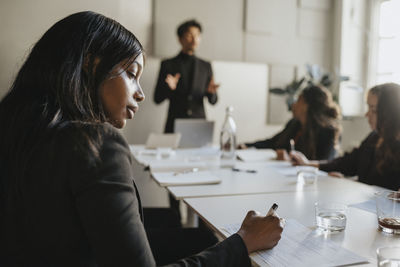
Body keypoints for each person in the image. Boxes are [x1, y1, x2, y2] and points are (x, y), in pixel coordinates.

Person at [0, 11, 283, 266]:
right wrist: (243, 241)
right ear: (91, 64)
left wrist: (211, 91)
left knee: (183, 226)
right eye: (132, 75)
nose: (140, 93)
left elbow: (211, 96)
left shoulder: (17, 127)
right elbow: (159, 96)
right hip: (176, 123)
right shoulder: (96, 143)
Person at [290, 83, 400, 191]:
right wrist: (308, 164)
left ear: (390, 112)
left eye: (373, 109)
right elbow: (347, 163)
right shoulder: (374, 138)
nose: (367, 114)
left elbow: (388, 189)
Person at [240, 85, 341, 161]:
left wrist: (289, 160)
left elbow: (324, 165)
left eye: (298, 100)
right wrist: (247, 146)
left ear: (306, 106)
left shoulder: (328, 132)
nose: (293, 104)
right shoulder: (295, 124)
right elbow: (272, 142)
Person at [153, 19, 219, 133]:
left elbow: (213, 101)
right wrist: (169, 88)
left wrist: (212, 92)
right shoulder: (168, 64)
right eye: (189, 35)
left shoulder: (206, 66)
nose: (194, 39)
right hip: (174, 124)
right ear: (180, 39)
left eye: (197, 35)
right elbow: (157, 99)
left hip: (199, 125)